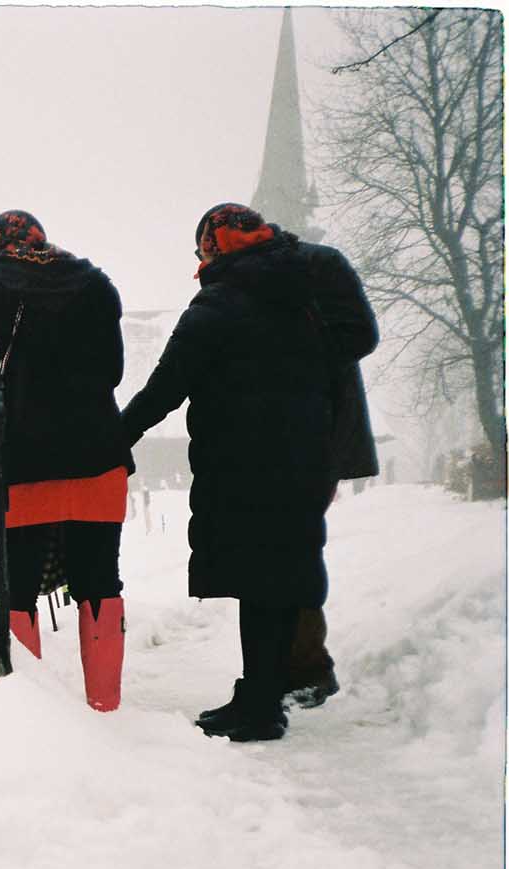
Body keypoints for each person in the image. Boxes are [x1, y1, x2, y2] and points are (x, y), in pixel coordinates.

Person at [120, 203, 336, 741]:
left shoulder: (218, 305)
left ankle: (260, 705)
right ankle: (265, 694)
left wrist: (110, 440)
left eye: (200, 251)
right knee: (281, 581)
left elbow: (165, 388)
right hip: (304, 458)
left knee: (257, 585)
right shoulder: (304, 297)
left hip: (245, 467)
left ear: (215, 249)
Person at [0, 210, 132, 710]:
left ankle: (27, 714)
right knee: (100, 582)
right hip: (98, 457)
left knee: (17, 588)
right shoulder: (94, 287)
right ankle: (105, 705)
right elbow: (112, 371)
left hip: (19, 461)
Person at [285, 238, 380, 708]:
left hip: (312, 436)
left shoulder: (316, 267)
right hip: (289, 437)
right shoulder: (259, 276)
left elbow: (358, 334)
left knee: (295, 550)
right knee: (281, 551)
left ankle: (308, 667)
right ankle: (290, 665)